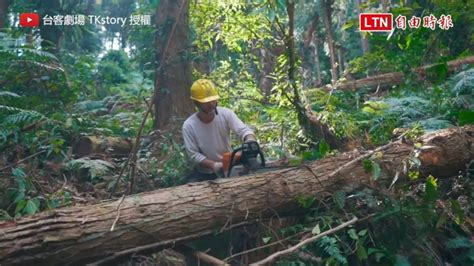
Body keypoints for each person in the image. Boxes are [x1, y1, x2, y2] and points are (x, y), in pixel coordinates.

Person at [182, 79, 257, 182]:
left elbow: (244, 130)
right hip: (206, 173)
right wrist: (214, 165)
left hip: (230, 165)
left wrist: (250, 140)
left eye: (213, 100)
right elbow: (193, 155)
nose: (212, 104)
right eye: (207, 102)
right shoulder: (189, 126)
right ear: (197, 103)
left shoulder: (226, 114)